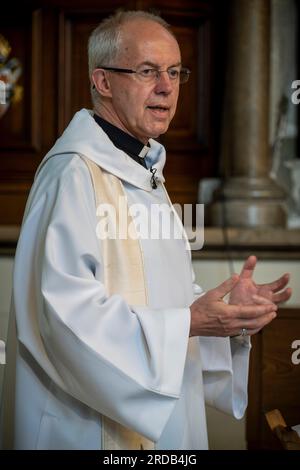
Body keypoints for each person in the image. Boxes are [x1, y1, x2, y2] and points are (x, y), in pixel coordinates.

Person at [0, 10, 291, 450]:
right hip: (87, 427)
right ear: (103, 82)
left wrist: (227, 314)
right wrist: (188, 323)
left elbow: (160, 295)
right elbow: (64, 316)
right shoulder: (74, 175)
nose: (167, 88)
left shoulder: (145, 170)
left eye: (175, 72)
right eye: (147, 71)